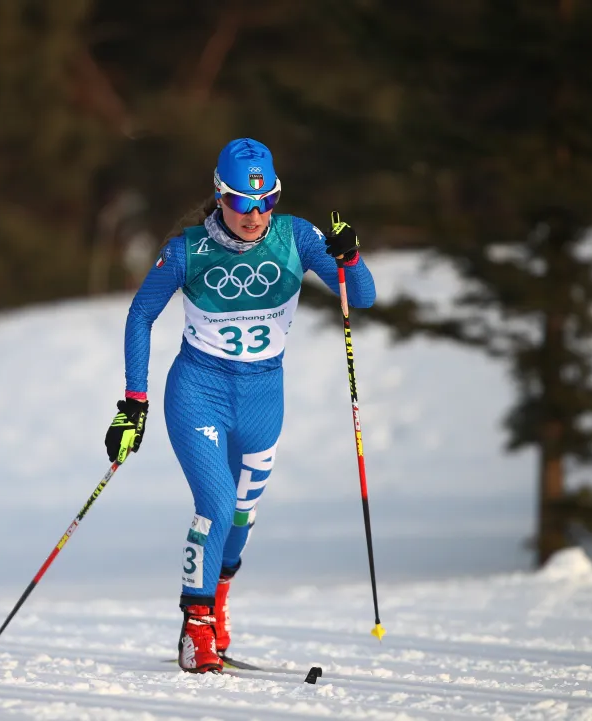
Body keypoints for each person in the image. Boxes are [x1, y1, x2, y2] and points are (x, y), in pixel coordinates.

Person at [104, 138, 376, 673]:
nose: (255, 216)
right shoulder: (187, 250)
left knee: (243, 515)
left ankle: (218, 604)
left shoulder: (297, 237)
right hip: (198, 392)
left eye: (266, 202)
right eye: (242, 203)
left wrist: (350, 258)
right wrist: (133, 402)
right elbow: (140, 316)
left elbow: (361, 296)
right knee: (217, 504)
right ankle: (195, 629)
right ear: (220, 196)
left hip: (262, 397)